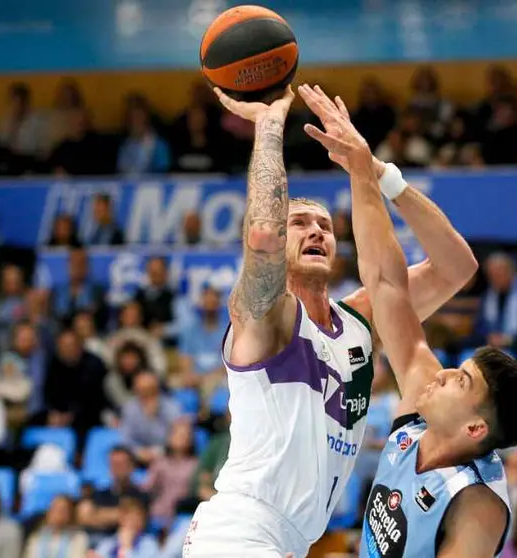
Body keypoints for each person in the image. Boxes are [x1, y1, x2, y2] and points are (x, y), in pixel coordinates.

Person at [183, 82, 479, 558]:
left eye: (325, 226)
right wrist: (268, 128)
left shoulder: (361, 321)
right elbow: (262, 234)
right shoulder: (269, 317)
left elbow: (457, 267)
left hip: (292, 541)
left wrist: (377, 172)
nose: (316, 231)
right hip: (239, 531)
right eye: (299, 224)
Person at [294, 83, 517, 557]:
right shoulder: (422, 411)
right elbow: (386, 282)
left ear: (475, 429)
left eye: (460, 382)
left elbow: (453, 268)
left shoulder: (477, 505)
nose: (443, 373)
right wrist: (367, 172)